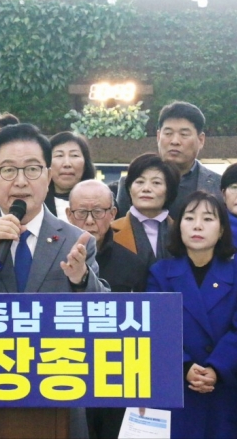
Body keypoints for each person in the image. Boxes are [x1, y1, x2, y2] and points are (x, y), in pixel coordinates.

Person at [0, 123, 109, 439]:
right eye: (9, 170)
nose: (21, 181)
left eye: (32, 169)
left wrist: (81, 280)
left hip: (56, 399)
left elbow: (107, 317)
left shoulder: (76, 239)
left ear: (49, 176)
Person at [147, 191, 237, 438]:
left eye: (208, 219)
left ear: (222, 229)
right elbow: (158, 330)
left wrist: (217, 368)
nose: (197, 226)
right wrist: (184, 366)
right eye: (189, 218)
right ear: (178, 226)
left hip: (225, 385)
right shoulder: (160, 272)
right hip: (178, 386)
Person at [67, 180, 148, 439]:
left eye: (98, 212)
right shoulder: (54, 259)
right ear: (68, 214)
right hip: (66, 368)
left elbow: (144, 329)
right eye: (81, 212)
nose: (90, 221)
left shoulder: (133, 263)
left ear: (113, 213)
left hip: (115, 373)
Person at [115, 101, 221, 217]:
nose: (175, 141)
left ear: (201, 140)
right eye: (168, 133)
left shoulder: (218, 185)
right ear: (158, 136)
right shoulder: (129, 183)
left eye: (184, 134)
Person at [111, 153, 180, 266]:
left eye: (156, 183)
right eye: (140, 182)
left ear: (169, 190)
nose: (146, 189)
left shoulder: (181, 233)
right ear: (129, 188)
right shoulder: (109, 232)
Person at [45, 131, 96, 221]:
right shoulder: (36, 205)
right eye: (59, 155)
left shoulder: (104, 201)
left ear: (85, 164)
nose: (67, 164)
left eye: (74, 155)